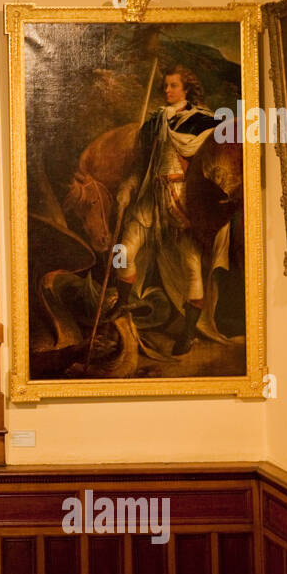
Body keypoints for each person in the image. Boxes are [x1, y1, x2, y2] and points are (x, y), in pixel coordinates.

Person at [110, 65, 223, 356]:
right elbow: (143, 165)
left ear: (187, 89)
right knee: (123, 250)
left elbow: (216, 168)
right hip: (151, 196)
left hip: (184, 202)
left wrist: (203, 206)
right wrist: (128, 186)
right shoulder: (155, 122)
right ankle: (124, 309)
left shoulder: (203, 123)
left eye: (173, 86)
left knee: (191, 268)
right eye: (165, 85)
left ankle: (188, 333)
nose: (167, 90)